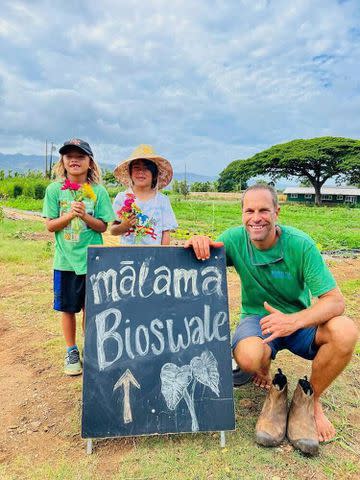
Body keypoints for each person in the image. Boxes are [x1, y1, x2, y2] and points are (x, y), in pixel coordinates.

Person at [185, 184, 358, 454]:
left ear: (277, 211)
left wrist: (294, 321)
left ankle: (311, 400)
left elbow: (336, 301)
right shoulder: (233, 239)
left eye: (264, 210)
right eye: (249, 210)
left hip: (299, 321)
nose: (256, 217)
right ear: (242, 214)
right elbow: (204, 256)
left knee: (345, 330)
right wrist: (199, 242)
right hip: (257, 319)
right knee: (249, 356)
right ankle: (267, 376)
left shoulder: (300, 245)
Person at [42, 138, 116, 376]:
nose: (74, 160)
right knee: (67, 308)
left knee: (90, 308)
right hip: (65, 261)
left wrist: (84, 216)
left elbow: (103, 227)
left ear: (90, 162)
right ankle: (71, 349)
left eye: (80, 156)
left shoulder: (98, 192)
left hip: (92, 262)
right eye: (69, 156)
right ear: (62, 162)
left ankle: (89, 348)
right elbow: (50, 226)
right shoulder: (54, 190)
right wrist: (68, 216)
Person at [110, 144, 177, 245]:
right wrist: (124, 226)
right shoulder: (122, 198)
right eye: (136, 168)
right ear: (130, 173)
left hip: (153, 257)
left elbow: (165, 233)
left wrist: (162, 257)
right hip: (127, 257)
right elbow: (113, 230)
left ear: (154, 174)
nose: (141, 172)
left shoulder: (162, 200)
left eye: (146, 168)